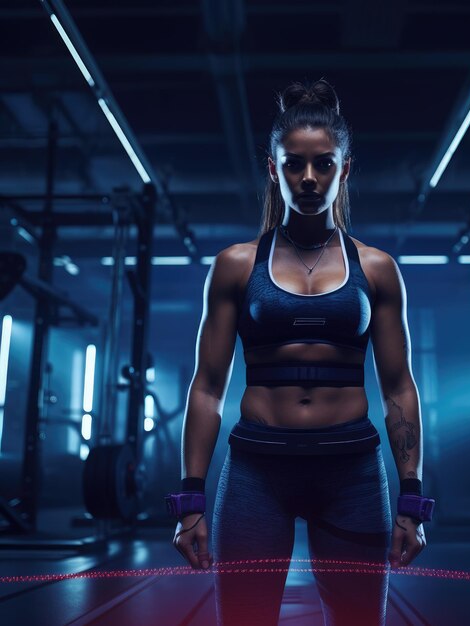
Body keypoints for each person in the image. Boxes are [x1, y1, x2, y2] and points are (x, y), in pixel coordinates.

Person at [169, 79, 433, 626]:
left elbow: (399, 386)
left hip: (352, 471)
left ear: (344, 169)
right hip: (256, 472)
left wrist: (412, 497)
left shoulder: (377, 268)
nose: (309, 178)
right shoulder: (236, 265)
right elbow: (207, 386)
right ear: (273, 169)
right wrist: (190, 499)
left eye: (323, 165)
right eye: (294, 164)